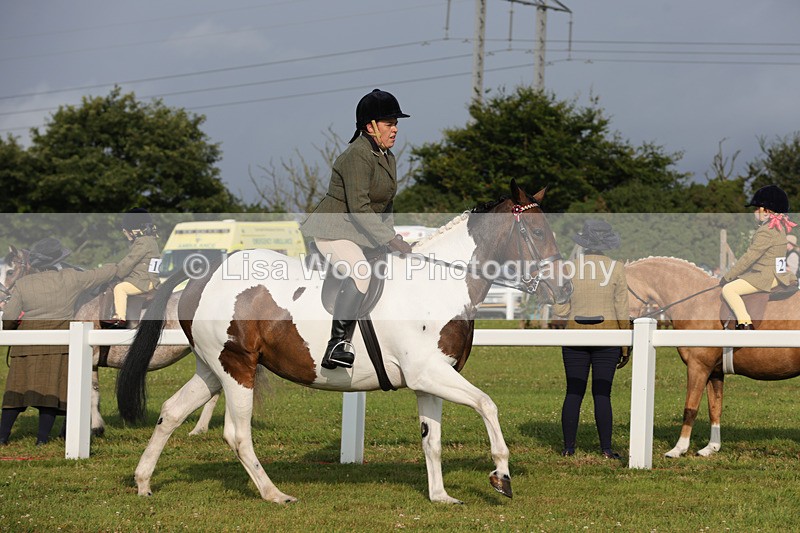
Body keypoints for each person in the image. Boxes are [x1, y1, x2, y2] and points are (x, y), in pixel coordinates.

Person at [300, 89, 412, 370]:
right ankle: (336, 344)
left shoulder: (387, 156)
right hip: (334, 231)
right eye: (389, 123)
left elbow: (385, 206)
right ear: (370, 126)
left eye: (396, 123)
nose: (395, 129)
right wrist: (390, 239)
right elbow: (359, 207)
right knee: (360, 272)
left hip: (359, 234)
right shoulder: (357, 155)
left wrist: (391, 238)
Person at [0, 238, 119, 445]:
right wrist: (122, 264)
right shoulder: (71, 278)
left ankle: (2, 437)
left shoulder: (22, 284)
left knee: (15, 394)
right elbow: (101, 273)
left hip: (25, 346)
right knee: (50, 394)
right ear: (57, 259)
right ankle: (42, 440)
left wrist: (13, 331)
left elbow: (8, 318)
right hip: (58, 346)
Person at [552, 219, 630, 459]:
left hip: (575, 336)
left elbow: (560, 310)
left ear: (584, 242)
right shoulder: (617, 268)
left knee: (573, 392)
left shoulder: (569, 268)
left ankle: (568, 448)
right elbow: (622, 310)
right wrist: (625, 347)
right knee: (602, 393)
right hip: (608, 337)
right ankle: (606, 448)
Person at [721, 185, 797, 330]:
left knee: (729, 290)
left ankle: (745, 323)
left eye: (757, 208)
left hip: (766, 276)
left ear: (766, 211)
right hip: (780, 274)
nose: (754, 212)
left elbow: (749, 257)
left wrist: (728, 276)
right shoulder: (779, 227)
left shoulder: (765, 231)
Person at [102, 208, 161, 329]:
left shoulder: (142, 242)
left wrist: (117, 272)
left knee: (120, 288)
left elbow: (130, 260)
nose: (125, 233)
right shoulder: (151, 240)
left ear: (134, 231)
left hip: (143, 281)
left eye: (126, 231)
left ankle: (120, 317)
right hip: (150, 278)